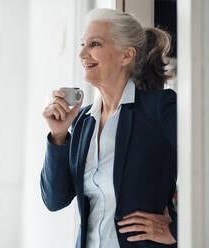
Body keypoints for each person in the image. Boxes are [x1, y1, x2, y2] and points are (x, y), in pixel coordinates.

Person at [40, 8, 177, 248]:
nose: (82, 53)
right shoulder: (83, 121)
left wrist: (176, 230)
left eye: (94, 44)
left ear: (126, 56)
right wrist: (59, 135)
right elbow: (55, 200)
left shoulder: (161, 108)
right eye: (82, 44)